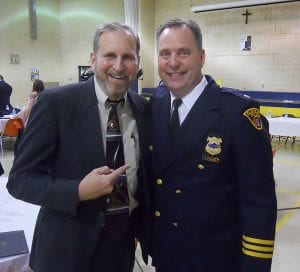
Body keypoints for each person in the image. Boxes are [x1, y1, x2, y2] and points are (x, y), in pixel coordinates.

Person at [7, 22, 150, 272]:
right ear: (93, 59)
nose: (118, 66)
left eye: (128, 57)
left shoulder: (143, 109)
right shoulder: (56, 104)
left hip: (120, 249)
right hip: (64, 250)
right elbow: (19, 180)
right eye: (110, 55)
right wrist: (78, 191)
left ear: (137, 62)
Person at [148, 19, 277, 272]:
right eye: (165, 54)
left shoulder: (237, 114)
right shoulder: (157, 103)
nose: (173, 63)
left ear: (202, 56)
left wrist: (254, 266)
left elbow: (259, 203)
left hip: (216, 259)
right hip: (167, 254)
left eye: (183, 52)